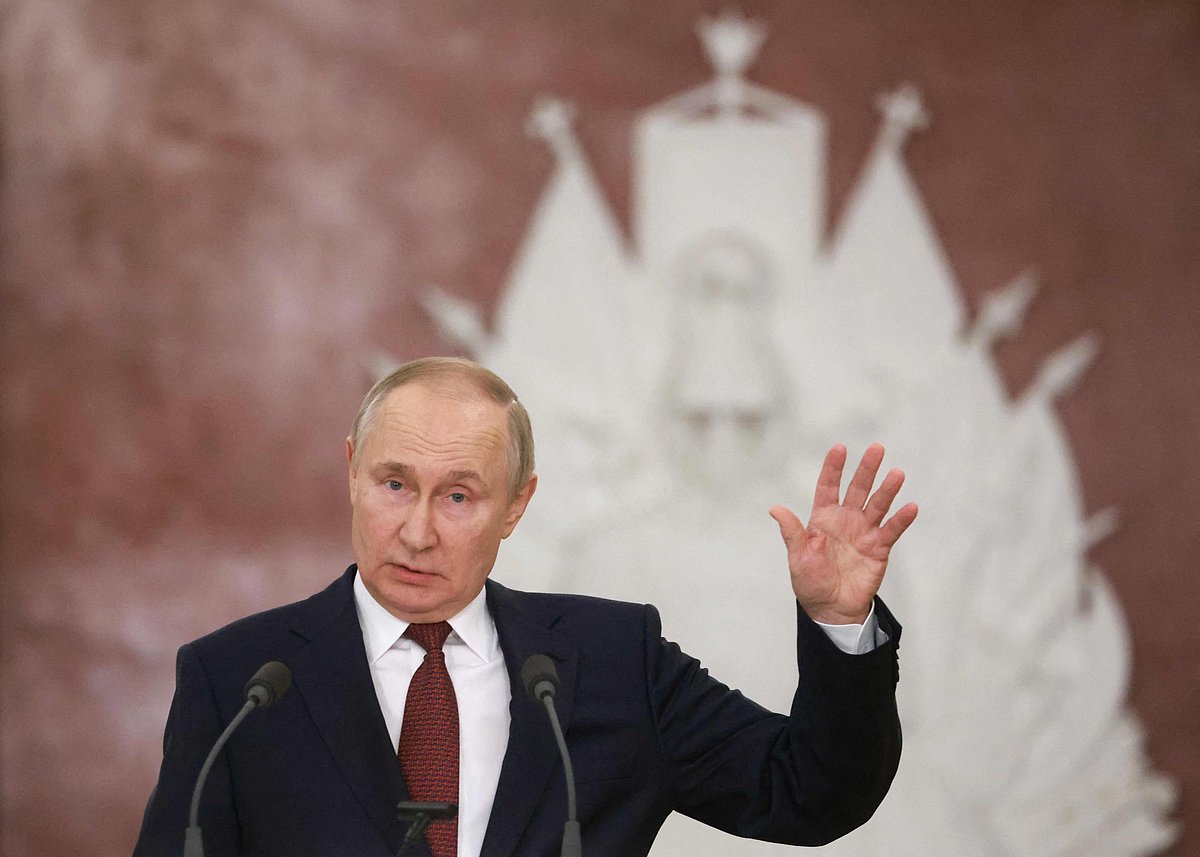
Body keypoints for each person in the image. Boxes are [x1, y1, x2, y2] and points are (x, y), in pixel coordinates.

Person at [133, 356, 917, 857]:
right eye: (394, 483)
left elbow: (812, 793)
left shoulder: (614, 661)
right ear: (351, 471)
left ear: (517, 505)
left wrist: (838, 620)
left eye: (460, 496)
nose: (416, 530)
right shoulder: (239, 682)